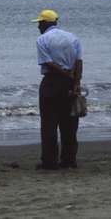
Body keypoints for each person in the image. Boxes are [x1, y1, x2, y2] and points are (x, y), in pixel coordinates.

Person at [32, 9, 83, 170]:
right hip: (70, 83)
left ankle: (50, 161)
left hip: (51, 83)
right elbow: (79, 62)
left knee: (49, 123)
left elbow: (48, 63)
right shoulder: (72, 37)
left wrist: (65, 73)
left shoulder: (42, 39)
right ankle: (69, 160)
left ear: (46, 23)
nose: (38, 26)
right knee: (69, 124)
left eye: (40, 23)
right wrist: (76, 83)